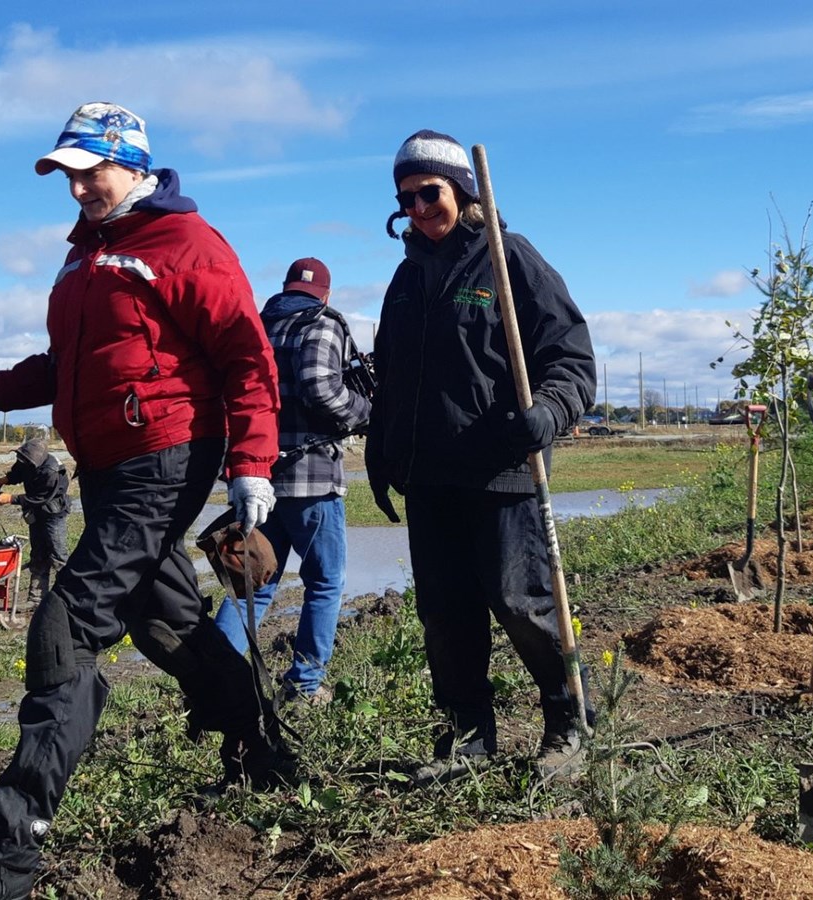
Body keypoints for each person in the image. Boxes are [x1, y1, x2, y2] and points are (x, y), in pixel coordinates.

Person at [0, 102, 288, 900]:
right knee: (166, 618)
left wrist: (252, 465)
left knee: (68, 624)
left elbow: (247, 356)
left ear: (132, 164)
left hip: (166, 457)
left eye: (88, 171)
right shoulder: (84, 261)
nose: (76, 189)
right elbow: (68, 362)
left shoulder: (185, 245)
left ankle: (6, 856)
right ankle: (266, 755)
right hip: (107, 466)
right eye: (66, 176)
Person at [367, 130, 597, 784]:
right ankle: (468, 738)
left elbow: (572, 361)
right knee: (445, 614)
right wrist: (383, 453)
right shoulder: (408, 278)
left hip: (503, 472)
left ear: (462, 190)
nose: (416, 208)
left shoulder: (510, 260)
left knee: (520, 601)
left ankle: (569, 721)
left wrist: (549, 412)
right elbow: (392, 378)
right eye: (404, 198)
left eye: (427, 192)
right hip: (432, 478)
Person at [214, 258, 371, 706]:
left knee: (252, 583)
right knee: (324, 582)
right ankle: (303, 684)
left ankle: (217, 680)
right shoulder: (322, 322)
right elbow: (322, 387)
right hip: (313, 479)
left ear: (283, 288)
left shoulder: (257, 326)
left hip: (257, 477)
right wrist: (365, 412)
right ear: (325, 293)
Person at [0, 436, 70, 606]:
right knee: (38, 553)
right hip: (36, 513)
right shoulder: (27, 460)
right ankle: (37, 598)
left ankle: (66, 597)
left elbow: (40, 498)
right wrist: (5, 479)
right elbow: (18, 472)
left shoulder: (50, 472)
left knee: (58, 555)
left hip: (53, 512)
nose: (22, 462)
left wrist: (11, 498)